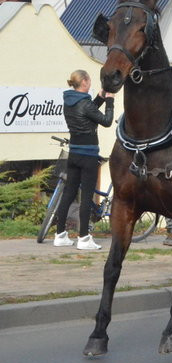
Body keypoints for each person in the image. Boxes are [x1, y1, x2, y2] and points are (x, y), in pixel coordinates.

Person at [52, 70, 114, 250]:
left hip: (74, 155)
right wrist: (109, 100)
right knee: (87, 197)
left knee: (69, 195)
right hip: (88, 155)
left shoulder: (69, 101)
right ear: (85, 82)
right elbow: (106, 120)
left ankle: (60, 235)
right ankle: (84, 238)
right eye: (89, 80)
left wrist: (100, 98)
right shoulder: (84, 103)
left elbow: (89, 112)